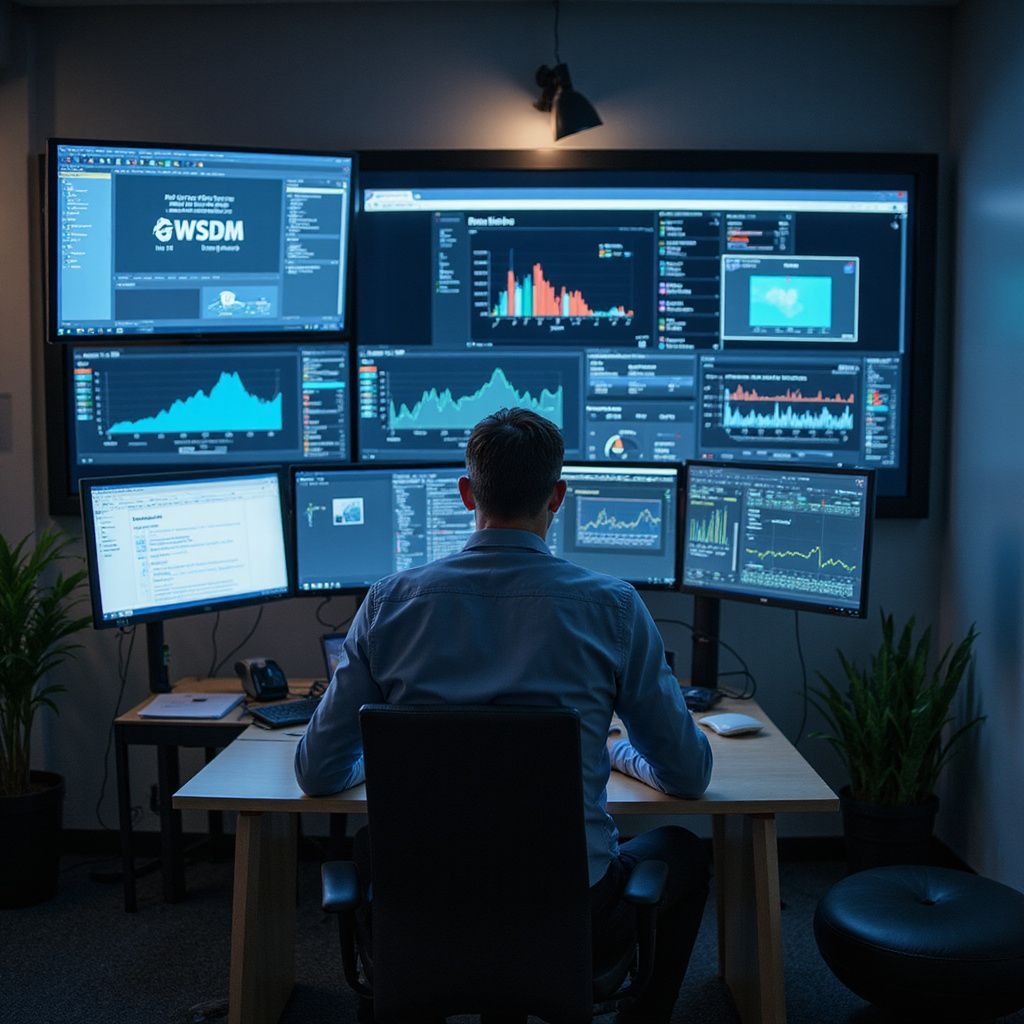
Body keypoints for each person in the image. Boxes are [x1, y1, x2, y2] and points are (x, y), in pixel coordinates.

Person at [296, 408, 713, 1024]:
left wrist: (388, 754)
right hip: (575, 916)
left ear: (467, 494)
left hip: (425, 910)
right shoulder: (614, 608)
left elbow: (317, 773)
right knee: (683, 848)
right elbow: (687, 775)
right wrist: (612, 749)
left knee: (367, 846)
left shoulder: (388, 603)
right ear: (559, 497)